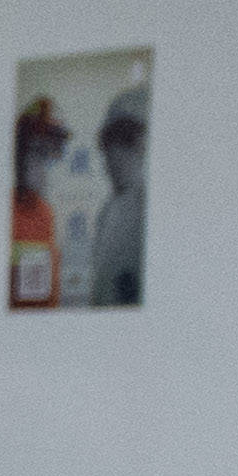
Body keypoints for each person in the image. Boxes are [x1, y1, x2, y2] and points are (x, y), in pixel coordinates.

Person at [86, 83, 148, 308]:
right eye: (110, 140)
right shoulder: (108, 212)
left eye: (128, 139)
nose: (116, 152)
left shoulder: (148, 207)